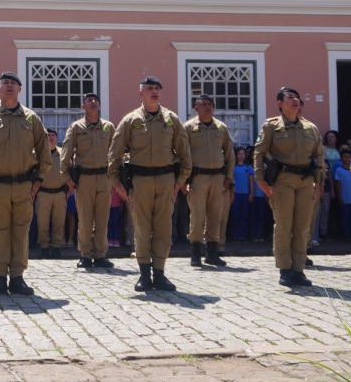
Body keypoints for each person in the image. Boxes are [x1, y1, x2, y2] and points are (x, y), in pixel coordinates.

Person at [0, 72, 51, 296]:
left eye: (13, 83)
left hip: (24, 185)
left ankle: (17, 277)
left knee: (21, 231)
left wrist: (39, 178)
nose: (9, 86)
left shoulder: (31, 118)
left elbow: (44, 151)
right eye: (5, 83)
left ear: (20, 89)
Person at [108, 76, 191, 292]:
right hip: (140, 182)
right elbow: (115, 154)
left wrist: (179, 182)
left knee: (163, 229)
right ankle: (144, 275)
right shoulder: (130, 120)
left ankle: (160, 273)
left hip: (166, 181)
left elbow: (184, 153)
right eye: (149, 88)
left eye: (157, 88)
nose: (154, 92)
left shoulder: (171, 119)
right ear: (141, 93)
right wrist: (118, 185)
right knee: (142, 229)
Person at [254, 86, 325, 288]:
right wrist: (260, 179)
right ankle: (285, 269)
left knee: (302, 227)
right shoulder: (271, 126)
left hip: (306, 181)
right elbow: (259, 152)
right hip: (282, 180)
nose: (294, 100)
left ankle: (298, 269)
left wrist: (319, 182)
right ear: (280, 103)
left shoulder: (310, 128)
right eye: (290, 97)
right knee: (284, 226)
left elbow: (319, 156)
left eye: (297, 97)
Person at [60, 93, 115, 268]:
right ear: (83, 106)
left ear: (99, 105)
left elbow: (116, 153)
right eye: (89, 100)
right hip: (84, 179)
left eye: (96, 100)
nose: (93, 102)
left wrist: (114, 178)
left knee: (102, 218)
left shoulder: (108, 127)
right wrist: (68, 179)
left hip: (104, 177)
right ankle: (85, 254)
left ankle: (100, 255)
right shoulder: (76, 127)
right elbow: (66, 154)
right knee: (84, 219)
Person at [184, 94, 235, 267]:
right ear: (196, 108)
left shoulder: (221, 128)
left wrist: (229, 177)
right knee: (197, 216)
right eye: (203, 104)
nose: (207, 107)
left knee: (215, 215)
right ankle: (195, 254)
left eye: (210, 104)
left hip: (218, 178)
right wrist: (183, 179)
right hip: (197, 178)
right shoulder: (188, 128)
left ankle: (212, 254)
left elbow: (230, 154)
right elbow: (182, 154)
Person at [34, 129, 68, 259]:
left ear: (57, 137)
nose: (51, 137)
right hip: (43, 192)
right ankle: (44, 246)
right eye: (48, 135)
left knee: (59, 222)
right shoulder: (39, 154)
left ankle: (56, 247)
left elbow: (68, 170)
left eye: (53, 135)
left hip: (60, 193)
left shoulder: (63, 153)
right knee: (42, 222)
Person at [333, 150, 351, 241]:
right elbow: (338, 185)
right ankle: (345, 236)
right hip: (344, 198)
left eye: (349, 157)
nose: (347, 159)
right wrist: (340, 198)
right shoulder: (338, 170)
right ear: (341, 158)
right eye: (345, 157)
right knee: (344, 218)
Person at [232, 148, 256, 241]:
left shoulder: (248, 167)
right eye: (239, 154)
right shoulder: (233, 167)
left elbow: (251, 181)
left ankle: (243, 235)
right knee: (235, 215)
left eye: (243, 154)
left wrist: (251, 193)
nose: (241, 156)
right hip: (235, 194)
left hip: (245, 194)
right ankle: (235, 235)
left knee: (244, 215)